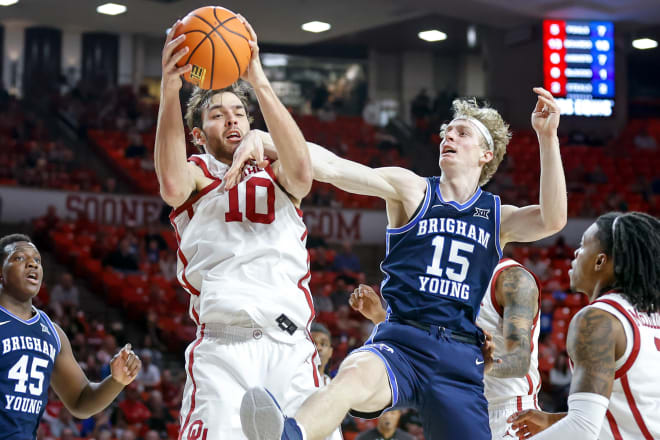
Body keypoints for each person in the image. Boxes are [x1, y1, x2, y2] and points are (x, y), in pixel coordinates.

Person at [236, 87, 566, 440]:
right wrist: (266, 139)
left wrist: (547, 138)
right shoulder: (413, 189)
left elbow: (552, 219)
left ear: (486, 154)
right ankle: (291, 434)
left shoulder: (496, 217)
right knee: (353, 374)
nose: (449, 136)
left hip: (459, 356)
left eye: (462, 132)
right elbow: (333, 167)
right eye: (446, 131)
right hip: (402, 341)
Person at [155, 15, 318, 439]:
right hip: (225, 345)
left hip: (291, 343)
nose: (231, 120)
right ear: (196, 134)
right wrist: (170, 89)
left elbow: (304, 174)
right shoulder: (196, 172)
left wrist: (258, 80)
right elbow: (170, 184)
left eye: (239, 113)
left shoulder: (277, 169)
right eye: (217, 114)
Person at [352, 256, 543, 439]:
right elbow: (427, 344)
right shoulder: (442, 282)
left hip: (508, 414)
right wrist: (379, 316)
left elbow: (519, 362)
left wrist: (476, 365)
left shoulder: (513, 279)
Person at [508, 212, 660, 439]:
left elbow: (582, 429)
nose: (576, 253)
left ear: (600, 261)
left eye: (583, 245)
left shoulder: (598, 320)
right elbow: (634, 409)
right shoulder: (651, 316)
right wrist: (553, 420)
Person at [0, 234, 142, 439]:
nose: (32, 264)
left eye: (37, 260)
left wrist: (116, 381)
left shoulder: (52, 333)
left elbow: (80, 401)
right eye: (19, 258)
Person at [310, 323, 343, 440]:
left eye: (323, 344)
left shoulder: (332, 386)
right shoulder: (292, 381)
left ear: (330, 352)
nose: (318, 348)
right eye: (313, 343)